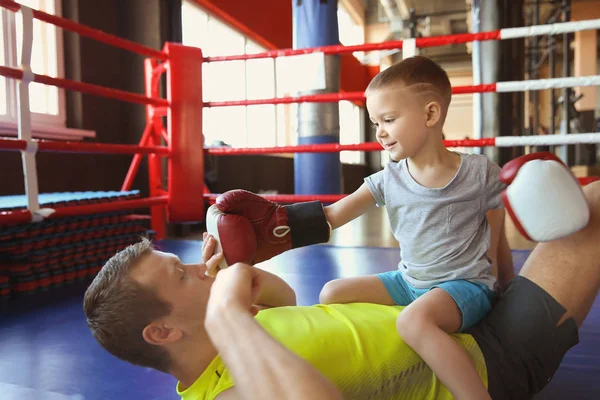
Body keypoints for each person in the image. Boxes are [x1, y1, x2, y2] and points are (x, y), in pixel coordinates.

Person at [84, 150, 598, 400]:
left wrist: (247, 270)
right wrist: (226, 313)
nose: (200, 269)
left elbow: (286, 299)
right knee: (596, 207)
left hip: (449, 314)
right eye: (182, 275)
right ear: (164, 332)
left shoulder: (239, 339)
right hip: (489, 360)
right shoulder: (232, 389)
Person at [293, 56, 506, 399]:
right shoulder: (386, 180)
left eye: (389, 119)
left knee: (412, 322)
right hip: (409, 282)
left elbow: (501, 224)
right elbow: (330, 217)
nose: (379, 132)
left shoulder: (480, 173)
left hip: (464, 286)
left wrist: (503, 283)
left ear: (431, 114)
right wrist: (266, 226)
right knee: (332, 293)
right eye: (375, 122)